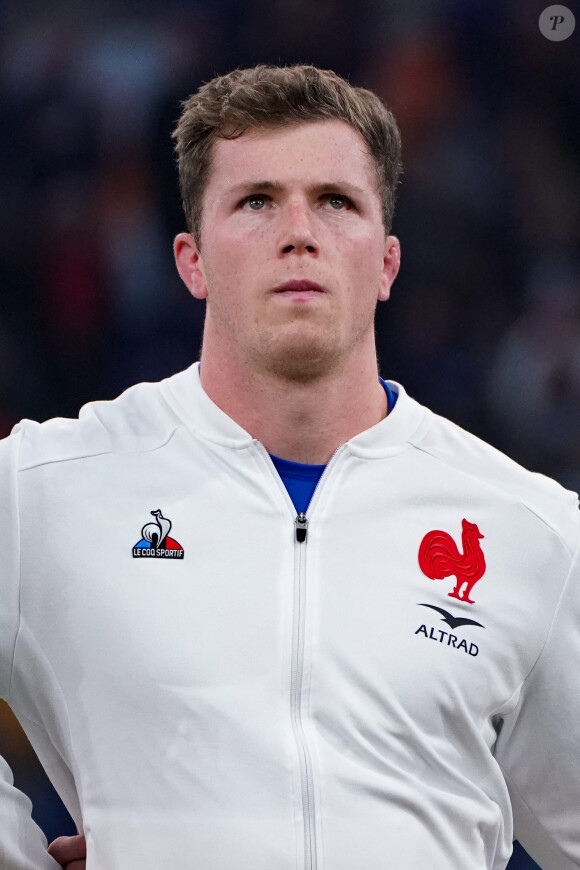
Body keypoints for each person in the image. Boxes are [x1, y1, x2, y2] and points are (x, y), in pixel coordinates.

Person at [1, 64, 579, 870]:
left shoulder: (534, 530)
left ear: (387, 262)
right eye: (257, 201)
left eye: (337, 202)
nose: (299, 231)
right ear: (191, 260)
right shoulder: (41, 488)